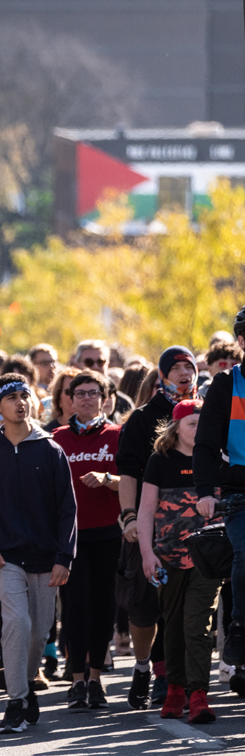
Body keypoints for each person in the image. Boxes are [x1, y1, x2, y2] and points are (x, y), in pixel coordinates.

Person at [0, 374, 76, 734]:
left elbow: (67, 510)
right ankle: (15, 701)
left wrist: (65, 556)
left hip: (47, 558)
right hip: (6, 558)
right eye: (11, 397)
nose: (20, 402)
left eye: (24, 395)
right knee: (18, 622)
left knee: (39, 631)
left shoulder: (51, 450)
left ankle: (26, 685)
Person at [116, 345, 198, 709]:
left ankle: (172, 677)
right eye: (176, 368)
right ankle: (143, 665)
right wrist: (131, 518)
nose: (185, 374)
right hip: (153, 528)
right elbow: (129, 473)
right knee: (146, 606)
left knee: (185, 608)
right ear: (162, 375)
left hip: (197, 529)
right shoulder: (143, 418)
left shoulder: (207, 413)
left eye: (190, 367)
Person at [138, 399, 219, 724]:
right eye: (192, 424)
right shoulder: (160, 461)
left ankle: (199, 693)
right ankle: (174, 688)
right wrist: (147, 553)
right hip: (168, 556)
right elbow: (145, 511)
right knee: (171, 624)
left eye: (203, 424)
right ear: (176, 427)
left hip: (208, 558)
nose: (198, 430)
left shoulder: (216, 458)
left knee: (198, 625)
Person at [53, 372, 121, 710]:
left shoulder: (117, 435)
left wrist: (109, 479)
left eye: (93, 393)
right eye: (79, 393)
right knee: (75, 606)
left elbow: (134, 482)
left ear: (105, 398)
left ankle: (96, 679)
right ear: (69, 398)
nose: (86, 399)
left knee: (102, 606)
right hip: (71, 538)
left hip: (108, 534)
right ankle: (76, 680)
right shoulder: (56, 439)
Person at [194, 306, 245, 669]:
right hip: (240, 491)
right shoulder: (227, 384)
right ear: (242, 341)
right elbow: (206, 445)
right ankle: (240, 626)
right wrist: (205, 493)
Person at [73, 340, 133, 424]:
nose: (95, 366)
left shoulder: (124, 403)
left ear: (107, 364)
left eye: (100, 362)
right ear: (76, 365)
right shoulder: (65, 397)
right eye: (89, 362)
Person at [43, 367, 80, 432]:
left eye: (80, 392)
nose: (74, 396)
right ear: (59, 400)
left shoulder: (97, 431)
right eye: (68, 392)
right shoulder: (47, 433)